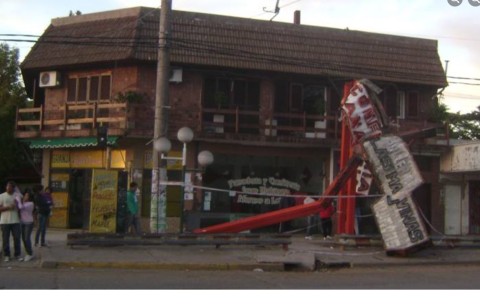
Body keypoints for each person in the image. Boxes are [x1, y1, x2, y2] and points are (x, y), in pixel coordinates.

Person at [0, 181, 22, 262]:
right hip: (4, 221)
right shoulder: (1, 196)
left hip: (15, 220)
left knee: (17, 238)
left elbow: (21, 206)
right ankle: (7, 255)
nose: (8, 188)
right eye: (7, 187)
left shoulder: (17, 196)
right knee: (5, 239)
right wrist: (8, 207)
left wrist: (18, 205)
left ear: (13, 188)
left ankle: (17, 254)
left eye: (10, 187)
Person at [18, 189, 35, 261]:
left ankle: (30, 253)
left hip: (29, 223)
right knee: (23, 238)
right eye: (25, 195)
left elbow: (20, 207)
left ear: (30, 197)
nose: (25, 196)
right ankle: (28, 253)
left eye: (27, 196)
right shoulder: (23, 203)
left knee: (26, 238)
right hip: (22, 222)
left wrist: (18, 199)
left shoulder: (31, 203)